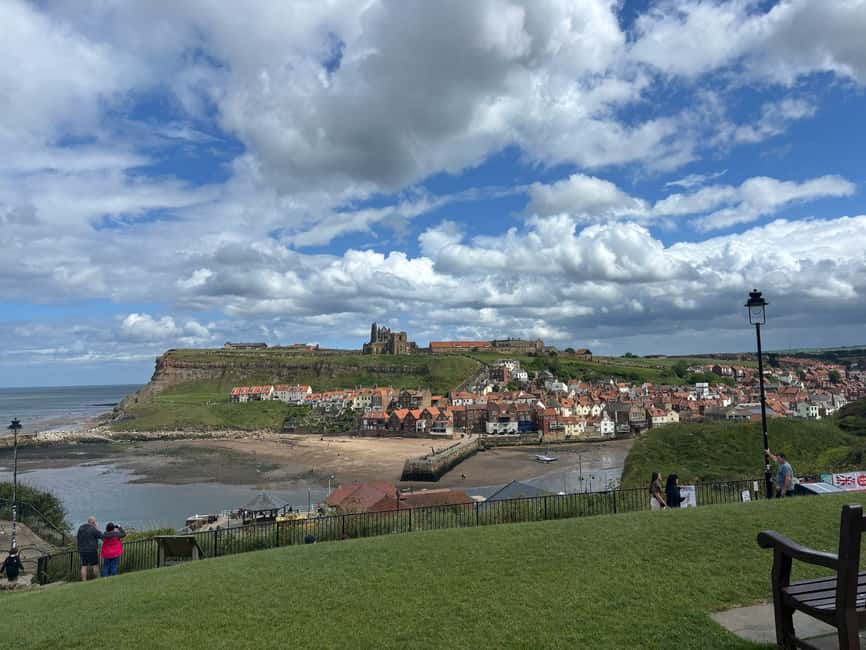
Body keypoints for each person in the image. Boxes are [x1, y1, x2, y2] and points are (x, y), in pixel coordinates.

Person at [76, 516, 103, 581]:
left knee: (84, 566)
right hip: (91, 550)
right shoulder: (93, 529)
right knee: (95, 565)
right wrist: (97, 528)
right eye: (95, 522)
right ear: (93, 522)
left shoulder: (81, 528)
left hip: (82, 550)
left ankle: (84, 581)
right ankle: (98, 579)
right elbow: (101, 536)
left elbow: (78, 538)